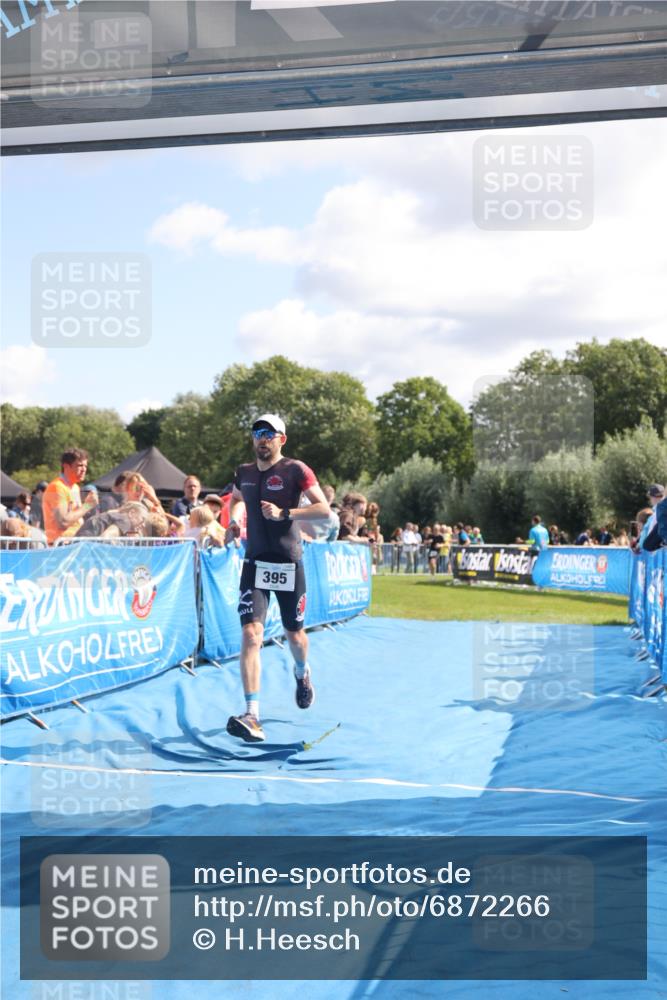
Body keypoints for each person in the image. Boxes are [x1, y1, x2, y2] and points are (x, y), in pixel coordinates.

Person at [224, 414, 331, 743]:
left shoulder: (296, 470)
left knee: (294, 635)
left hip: (288, 562)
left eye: (269, 433)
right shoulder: (243, 472)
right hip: (255, 562)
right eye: (257, 432)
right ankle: (252, 714)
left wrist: (286, 513)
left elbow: (324, 509)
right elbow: (237, 500)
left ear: (281, 439)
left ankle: (302, 673)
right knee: (251, 634)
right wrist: (234, 520)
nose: (262, 438)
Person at [42, 448, 98, 544]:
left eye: (85, 466)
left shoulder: (75, 487)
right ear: (66, 466)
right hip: (61, 545)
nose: (84, 469)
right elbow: (63, 522)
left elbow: (77, 517)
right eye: (80, 465)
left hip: (75, 542)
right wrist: (87, 505)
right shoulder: (57, 487)